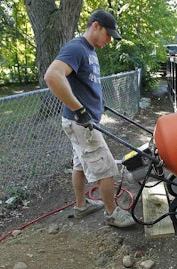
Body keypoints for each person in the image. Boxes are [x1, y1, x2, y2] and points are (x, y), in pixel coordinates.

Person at [44, 10, 135, 228]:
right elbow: (52, 75)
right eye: (108, 34)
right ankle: (112, 214)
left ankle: (81, 206)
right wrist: (80, 109)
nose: (109, 40)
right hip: (81, 123)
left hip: (80, 121)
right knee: (106, 167)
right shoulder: (76, 48)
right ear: (95, 26)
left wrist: (95, 102)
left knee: (79, 165)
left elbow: (84, 83)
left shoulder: (90, 51)